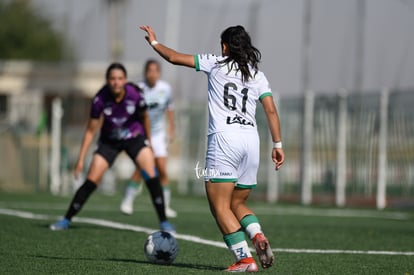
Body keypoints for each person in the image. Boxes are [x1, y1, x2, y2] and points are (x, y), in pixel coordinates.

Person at [139, 25, 285, 272]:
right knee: (237, 204)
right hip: (251, 141)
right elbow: (270, 109)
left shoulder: (215, 63)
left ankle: (245, 260)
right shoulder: (256, 74)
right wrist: (278, 144)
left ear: (225, 46)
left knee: (219, 207)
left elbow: (173, 58)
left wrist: (154, 43)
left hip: (224, 140)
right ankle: (256, 234)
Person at [50, 62, 174, 233]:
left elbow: (144, 117)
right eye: (112, 79)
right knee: (92, 180)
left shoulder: (135, 94)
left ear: (125, 80)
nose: (116, 82)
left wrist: (149, 143)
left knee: (151, 174)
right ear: (107, 81)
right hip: (109, 141)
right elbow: (90, 131)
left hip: (134, 137)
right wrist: (80, 160)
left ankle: (164, 222)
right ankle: (66, 219)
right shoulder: (100, 99)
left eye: (120, 78)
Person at [120, 59, 177, 218]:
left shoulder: (165, 89)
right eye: (149, 71)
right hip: (141, 133)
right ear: (145, 73)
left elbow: (170, 108)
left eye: (155, 71)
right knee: (142, 167)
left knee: (162, 169)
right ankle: (128, 200)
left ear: (159, 73)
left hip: (158, 134)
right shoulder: (139, 88)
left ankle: (165, 206)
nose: (152, 74)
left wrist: (171, 127)